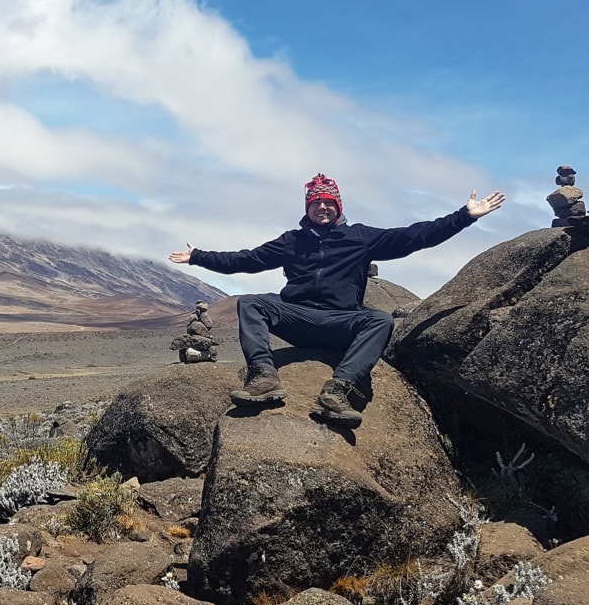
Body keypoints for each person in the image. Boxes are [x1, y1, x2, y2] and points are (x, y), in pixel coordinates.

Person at [169, 173, 505, 426]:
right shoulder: (292, 241)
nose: (323, 207)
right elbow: (244, 260)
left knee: (380, 320)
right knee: (251, 302)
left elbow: (413, 237)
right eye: (317, 202)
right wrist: (198, 256)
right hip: (297, 318)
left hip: (339, 323)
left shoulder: (359, 238)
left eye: (329, 202)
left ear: (338, 206)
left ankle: (339, 389)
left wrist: (464, 216)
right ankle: (264, 377)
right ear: (308, 208)